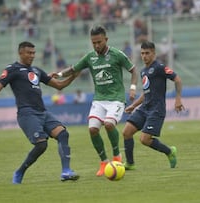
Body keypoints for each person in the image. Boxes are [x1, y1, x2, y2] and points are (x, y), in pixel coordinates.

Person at [0, 41, 79, 184]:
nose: (32, 56)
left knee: (63, 134)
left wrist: (74, 75)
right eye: (29, 53)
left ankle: (66, 171)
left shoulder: (37, 71)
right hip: (27, 113)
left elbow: (59, 85)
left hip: (42, 112)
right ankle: (20, 171)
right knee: (41, 145)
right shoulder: (12, 69)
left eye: (34, 53)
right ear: (21, 53)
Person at [53, 25, 138, 176]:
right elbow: (73, 69)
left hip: (116, 99)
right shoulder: (90, 57)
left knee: (109, 124)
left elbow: (133, 70)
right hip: (99, 99)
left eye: (99, 42)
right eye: (94, 43)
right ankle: (103, 162)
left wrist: (132, 87)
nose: (97, 45)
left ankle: (117, 156)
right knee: (92, 129)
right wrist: (59, 74)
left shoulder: (117, 54)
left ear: (106, 39)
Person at [122, 41, 184, 170]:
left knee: (144, 139)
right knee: (127, 132)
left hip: (156, 109)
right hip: (145, 107)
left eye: (147, 53)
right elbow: (146, 92)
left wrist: (178, 99)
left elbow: (177, 79)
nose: (144, 56)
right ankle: (130, 164)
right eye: (142, 53)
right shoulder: (143, 71)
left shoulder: (160, 67)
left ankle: (169, 151)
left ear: (154, 54)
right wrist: (134, 106)